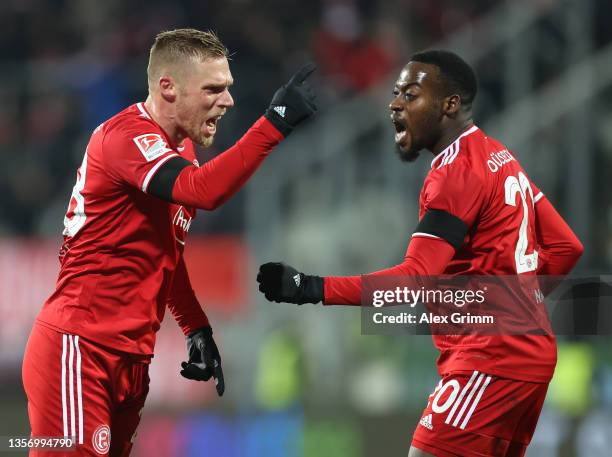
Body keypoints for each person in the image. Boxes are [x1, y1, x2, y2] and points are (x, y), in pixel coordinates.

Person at [257, 50, 583, 457]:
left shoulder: (455, 173)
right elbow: (567, 246)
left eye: (411, 95)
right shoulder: (499, 158)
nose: (394, 104)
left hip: (491, 356)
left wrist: (309, 287)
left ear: (449, 105)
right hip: (525, 354)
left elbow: (413, 279)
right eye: (395, 93)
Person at [22, 28, 316, 456]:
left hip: (130, 360)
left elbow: (166, 254)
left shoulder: (180, 155)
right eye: (213, 89)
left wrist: (195, 326)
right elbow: (205, 192)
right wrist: (273, 123)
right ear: (168, 88)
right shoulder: (125, 137)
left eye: (229, 88)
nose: (228, 101)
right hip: (81, 349)